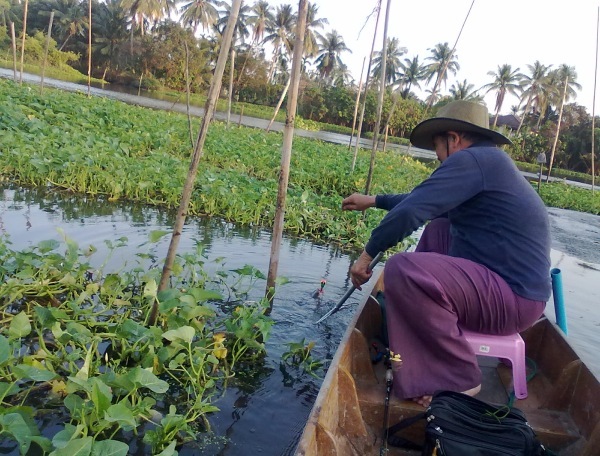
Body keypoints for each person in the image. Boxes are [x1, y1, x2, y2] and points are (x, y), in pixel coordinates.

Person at [342, 100, 551, 407]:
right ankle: (419, 323)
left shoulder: (473, 161)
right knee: (440, 226)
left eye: (438, 148)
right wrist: (374, 200)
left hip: (512, 301)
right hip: (516, 295)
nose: (438, 159)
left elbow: (412, 210)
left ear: (454, 139)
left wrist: (365, 256)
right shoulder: (487, 162)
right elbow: (421, 200)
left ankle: (460, 378)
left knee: (402, 269)